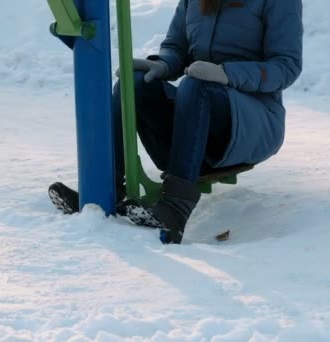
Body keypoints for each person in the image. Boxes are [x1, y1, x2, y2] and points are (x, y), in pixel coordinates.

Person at [49, 0, 303, 244]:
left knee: (196, 87)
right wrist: (162, 65)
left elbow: (286, 65)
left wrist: (227, 75)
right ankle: (106, 192)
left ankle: (175, 207)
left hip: (250, 124)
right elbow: (176, 47)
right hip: (195, 117)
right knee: (136, 83)